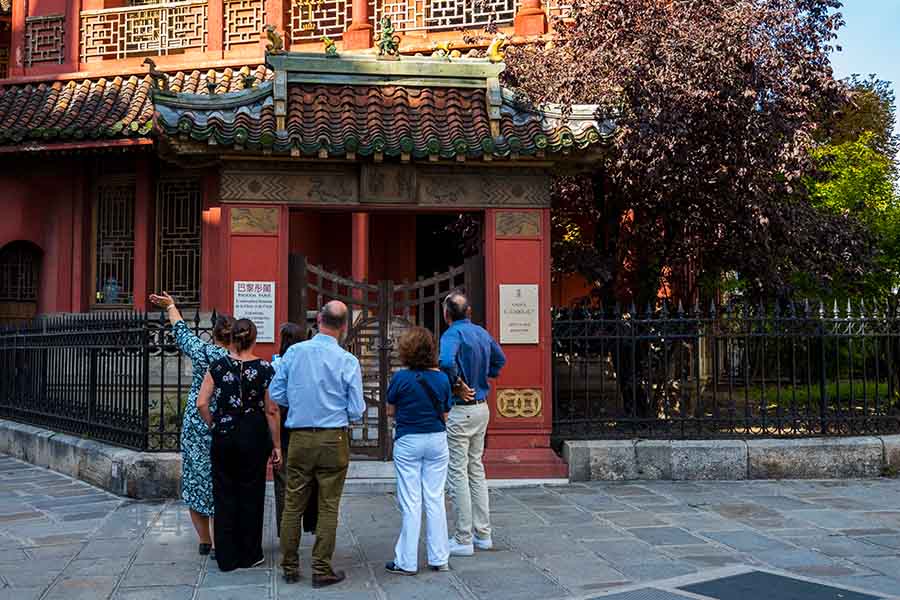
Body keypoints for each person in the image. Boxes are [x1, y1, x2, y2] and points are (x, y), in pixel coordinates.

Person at [270, 301, 366, 588]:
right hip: (333, 437)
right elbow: (357, 409)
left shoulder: (295, 353)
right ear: (344, 327)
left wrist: (299, 404)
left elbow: (276, 392)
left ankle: (289, 566)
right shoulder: (348, 360)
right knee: (328, 505)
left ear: (319, 320)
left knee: (292, 503)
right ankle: (322, 568)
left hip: (299, 436)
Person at [149, 292, 230, 558]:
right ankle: (221, 543)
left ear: (214, 333)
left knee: (196, 481)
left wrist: (172, 306)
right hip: (223, 425)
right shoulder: (237, 361)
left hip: (196, 425)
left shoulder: (202, 351)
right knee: (220, 481)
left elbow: (181, 331)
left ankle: (205, 541)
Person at [197, 319, 282, 572]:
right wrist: (276, 445)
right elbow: (272, 410)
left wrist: (214, 423)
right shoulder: (266, 369)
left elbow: (202, 402)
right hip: (253, 433)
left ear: (231, 339)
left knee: (223, 493)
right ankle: (249, 553)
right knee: (251, 492)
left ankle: (226, 555)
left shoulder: (218, 365)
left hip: (224, 431)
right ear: (254, 339)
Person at [439, 291, 506, 557]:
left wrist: (457, 384)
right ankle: (483, 534)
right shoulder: (481, 333)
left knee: (457, 472)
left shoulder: (452, 335)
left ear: (447, 315)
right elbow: (500, 360)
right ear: (469, 312)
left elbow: (445, 361)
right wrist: (483, 379)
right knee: (476, 469)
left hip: (461, 410)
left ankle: (463, 537)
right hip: (481, 408)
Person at [384, 327, 452, 576]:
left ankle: (407, 561)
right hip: (436, 439)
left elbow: (391, 410)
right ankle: (439, 557)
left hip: (409, 439)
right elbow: (446, 413)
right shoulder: (443, 379)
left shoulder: (401, 379)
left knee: (411, 501)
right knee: (435, 498)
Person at [271, 322, 318, 536]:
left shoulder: (276, 364)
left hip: (282, 421)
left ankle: (286, 528)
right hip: (305, 421)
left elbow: (273, 398)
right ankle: (311, 521)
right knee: (310, 473)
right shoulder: (310, 365)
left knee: (283, 477)